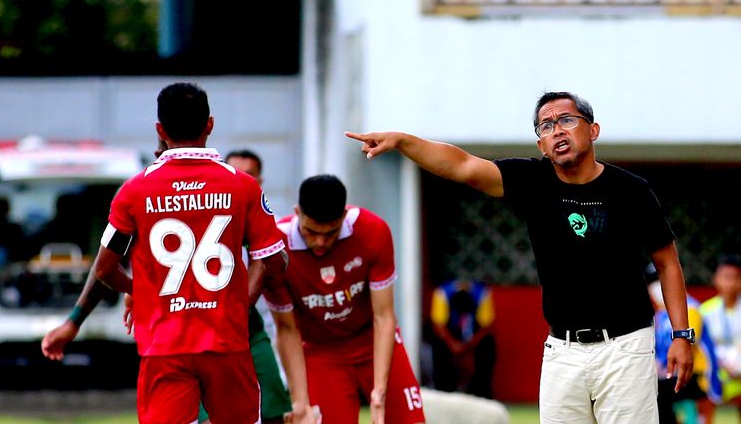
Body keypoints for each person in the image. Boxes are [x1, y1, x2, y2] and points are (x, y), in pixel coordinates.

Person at [346, 91, 694, 423]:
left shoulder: (630, 190)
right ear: (541, 145)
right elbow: (462, 165)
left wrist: (681, 335)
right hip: (562, 349)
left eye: (567, 120)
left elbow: (667, 264)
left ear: (593, 129)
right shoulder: (533, 181)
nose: (557, 130)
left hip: (626, 345)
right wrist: (404, 141)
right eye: (546, 126)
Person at [45, 82, 311, 424]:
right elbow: (274, 263)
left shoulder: (134, 190)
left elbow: (105, 269)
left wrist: (138, 289)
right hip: (227, 343)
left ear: (160, 129)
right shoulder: (243, 186)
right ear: (210, 125)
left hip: (164, 346)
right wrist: (248, 287)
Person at [263, 174, 426, 424]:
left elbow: (384, 316)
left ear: (344, 216)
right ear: (298, 213)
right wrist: (300, 401)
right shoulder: (277, 246)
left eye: (330, 234)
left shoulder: (372, 231)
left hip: (372, 340)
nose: (319, 243)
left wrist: (379, 391)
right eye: (310, 232)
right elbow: (287, 329)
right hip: (321, 352)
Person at [647, 265, 721, 424]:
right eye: (652, 283)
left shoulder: (690, 308)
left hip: (697, 376)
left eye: (658, 281)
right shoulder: (659, 315)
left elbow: (686, 348)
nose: (655, 288)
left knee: (657, 393)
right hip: (672, 376)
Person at [429, 277, 495, 399]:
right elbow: (438, 326)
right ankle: (445, 390)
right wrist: (453, 344)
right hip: (450, 335)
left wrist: (470, 344)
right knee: (438, 345)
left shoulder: (482, 293)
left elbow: (486, 327)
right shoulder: (443, 293)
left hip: (473, 336)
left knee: (488, 344)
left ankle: (480, 392)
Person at [701, 254, 741, 418]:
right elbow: (703, 347)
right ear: (716, 279)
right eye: (726, 277)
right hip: (715, 370)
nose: (731, 283)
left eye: (737, 277)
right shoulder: (705, 311)